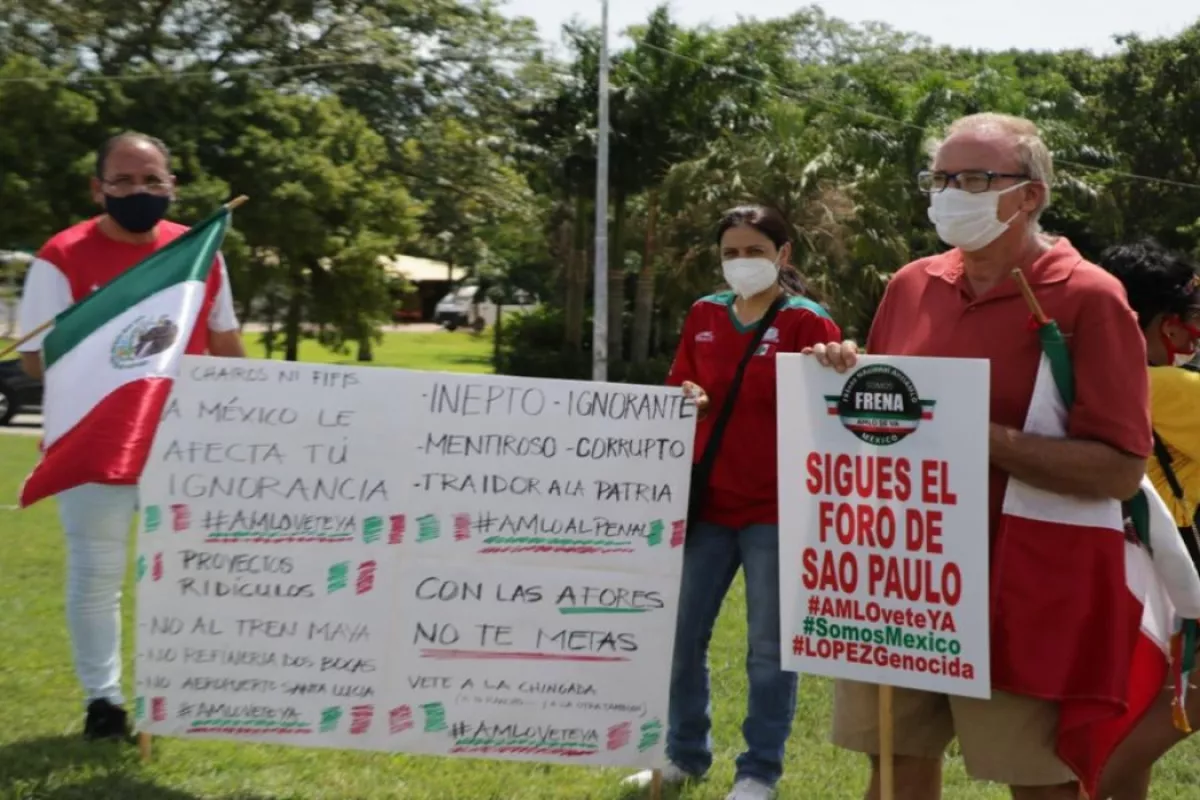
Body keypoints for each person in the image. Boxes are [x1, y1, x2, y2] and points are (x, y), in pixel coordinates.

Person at [808, 113, 1151, 800]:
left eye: (970, 178)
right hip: (907, 576)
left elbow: (1119, 470)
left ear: (1029, 195)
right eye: (938, 178)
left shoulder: (1089, 298)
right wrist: (843, 373)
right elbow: (885, 417)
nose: (946, 194)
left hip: (1025, 586)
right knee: (895, 769)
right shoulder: (910, 284)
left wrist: (976, 435)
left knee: (1040, 784)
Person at [15, 131, 245, 741]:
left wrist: (253, 410)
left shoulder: (199, 252)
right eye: (122, 181)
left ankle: (189, 696)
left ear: (172, 185)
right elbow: (35, 359)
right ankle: (104, 702)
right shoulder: (60, 256)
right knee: (96, 574)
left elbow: (225, 343)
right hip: (94, 442)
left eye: (152, 181)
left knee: (195, 574)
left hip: (186, 441)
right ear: (98, 188)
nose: (138, 192)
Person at [622, 205, 842, 800]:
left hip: (775, 508)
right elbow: (679, 389)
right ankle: (684, 755)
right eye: (730, 253)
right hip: (707, 505)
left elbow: (830, 406)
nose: (741, 263)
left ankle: (757, 773)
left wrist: (838, 364)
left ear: (783, 255)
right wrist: (686, 396)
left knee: (770, 651)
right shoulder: (703, 315)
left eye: (754, 251)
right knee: (679, 635)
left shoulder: (805, 322)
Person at [1092, 239, 1200, 800]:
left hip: (1117, 560)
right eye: (1185, 320)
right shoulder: (1171, 387)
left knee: (1138, 707)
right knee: (1181, 700)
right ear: (1160, 323)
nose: (1190, 334)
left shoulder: (1089, 372)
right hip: (1168, 563)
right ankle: (1079, 787)